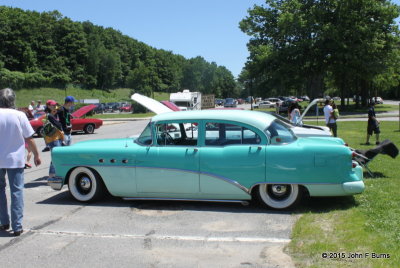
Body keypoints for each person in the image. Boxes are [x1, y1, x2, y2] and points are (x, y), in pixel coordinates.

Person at [0, 88, 41, 236]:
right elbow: (29, 138)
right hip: (15, 160)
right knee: (16, 191)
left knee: (0, 191)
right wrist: (36, 154)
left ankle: (3, 221)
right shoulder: (19, 115)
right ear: (13, 100)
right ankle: (17, 226)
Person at [43, 100, 64, 178]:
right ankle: (52, 174)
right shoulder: (50, 116)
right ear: (48, 106)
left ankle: (53, 173)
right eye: (52, 105)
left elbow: (60, 109)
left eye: (55, 105)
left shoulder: (51, 114)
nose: (54, 106)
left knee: (55, 157)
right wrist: (60, 125)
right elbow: (58, 125)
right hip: (54, 139)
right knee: (56, 157)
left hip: (55, 138)